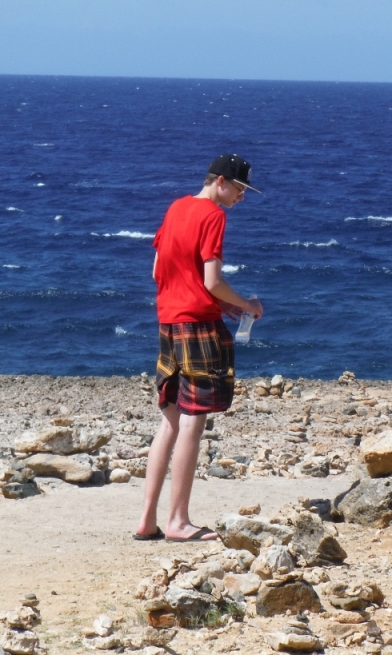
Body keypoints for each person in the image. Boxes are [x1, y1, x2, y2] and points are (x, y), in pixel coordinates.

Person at [134, 154, 264, 542]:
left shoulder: (176, 207)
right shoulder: (213, 215)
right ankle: (178, 521)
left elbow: (159, 269)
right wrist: (245, 305)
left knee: (170, 418)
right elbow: (211, 280)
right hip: (198, 329)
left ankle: (147, 519)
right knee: (193, 420)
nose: (242, 197)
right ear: (220, 181)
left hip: (169, 321)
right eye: (240, 188)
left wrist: (215, 302)